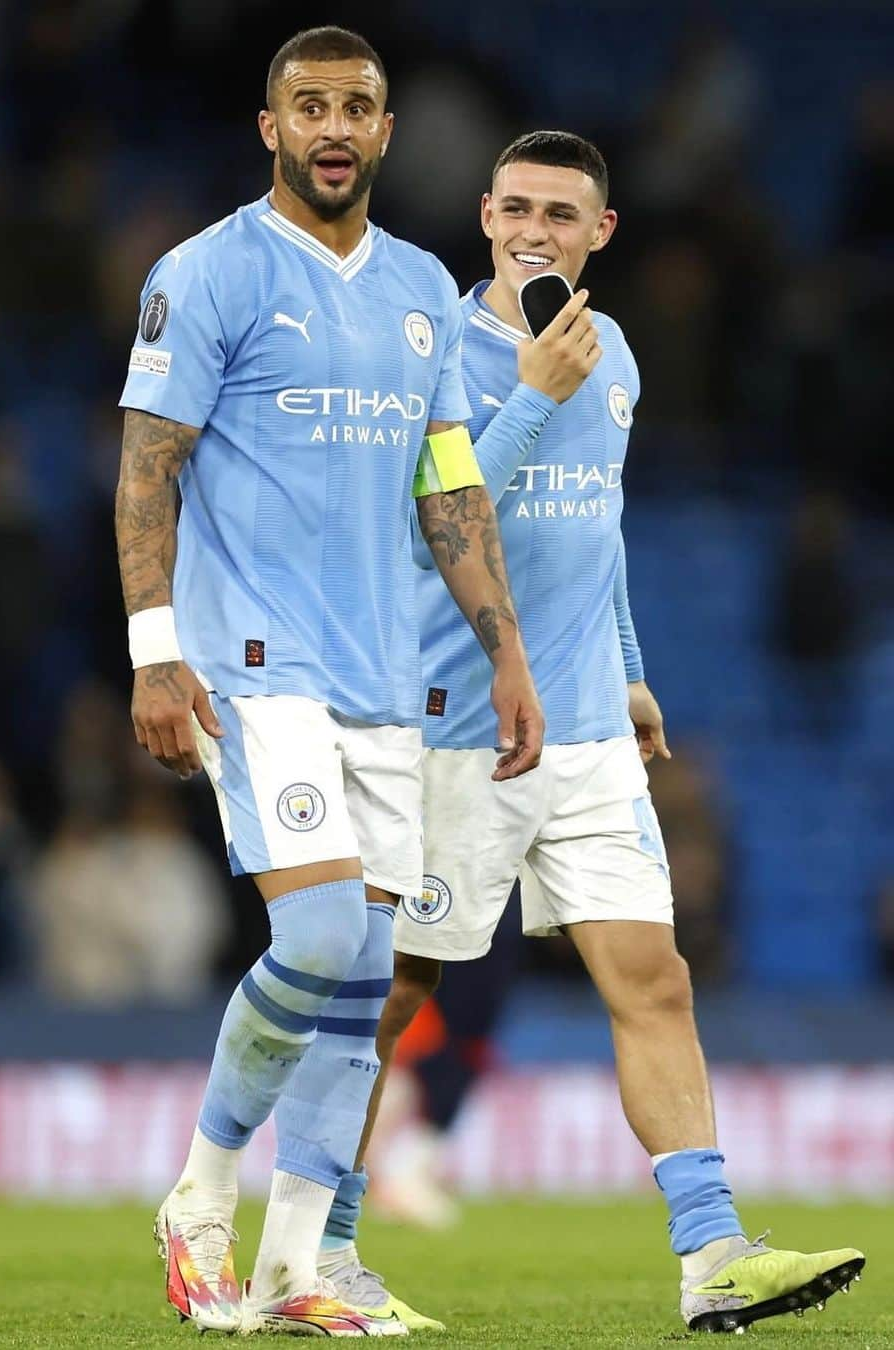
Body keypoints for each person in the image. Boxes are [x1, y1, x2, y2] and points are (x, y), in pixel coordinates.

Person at [316, 131, 865, 1336]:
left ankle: (712, 1256)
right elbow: (434, 525)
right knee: (397, 996)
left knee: (655, 980)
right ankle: (324, 1252)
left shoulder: (610, 350)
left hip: (583, 735)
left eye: (561, 215)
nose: (534, 232)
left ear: (600, 232)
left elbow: (595, 525)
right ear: (482, 216)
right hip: (457, 728)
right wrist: (531, 396)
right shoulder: (437, 351)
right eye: (515, 209)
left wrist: (627, 669)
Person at [114, 28, 544, 1338]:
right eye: (310, 106)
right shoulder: (209, 272)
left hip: (386, 680)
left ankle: (298, 1263)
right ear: (270, 128)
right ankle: (198, 1200)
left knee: (363, 978)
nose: (334, 125)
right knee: (313, 940)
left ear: (389, 129)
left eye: (357, 105)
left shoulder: (421, 290)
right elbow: (148, 465)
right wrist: (153, 652)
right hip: (256, 667)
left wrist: (507, 652)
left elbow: (448, 485)